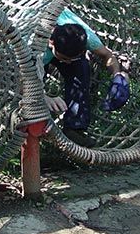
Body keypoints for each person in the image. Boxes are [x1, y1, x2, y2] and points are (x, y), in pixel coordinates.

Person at [43, 9, 130, 147]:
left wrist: (117, 76)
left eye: (72, 58)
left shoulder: (85, 37)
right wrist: (43, 97)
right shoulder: (35, 45)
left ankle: (74, 128)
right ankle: (41, 123)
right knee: (36, 78)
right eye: (64, 58)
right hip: (37, 54)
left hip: (63, 42)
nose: (68, 62)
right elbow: (21, 77)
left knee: (81, 67)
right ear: (51, 43)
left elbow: (108, 56)